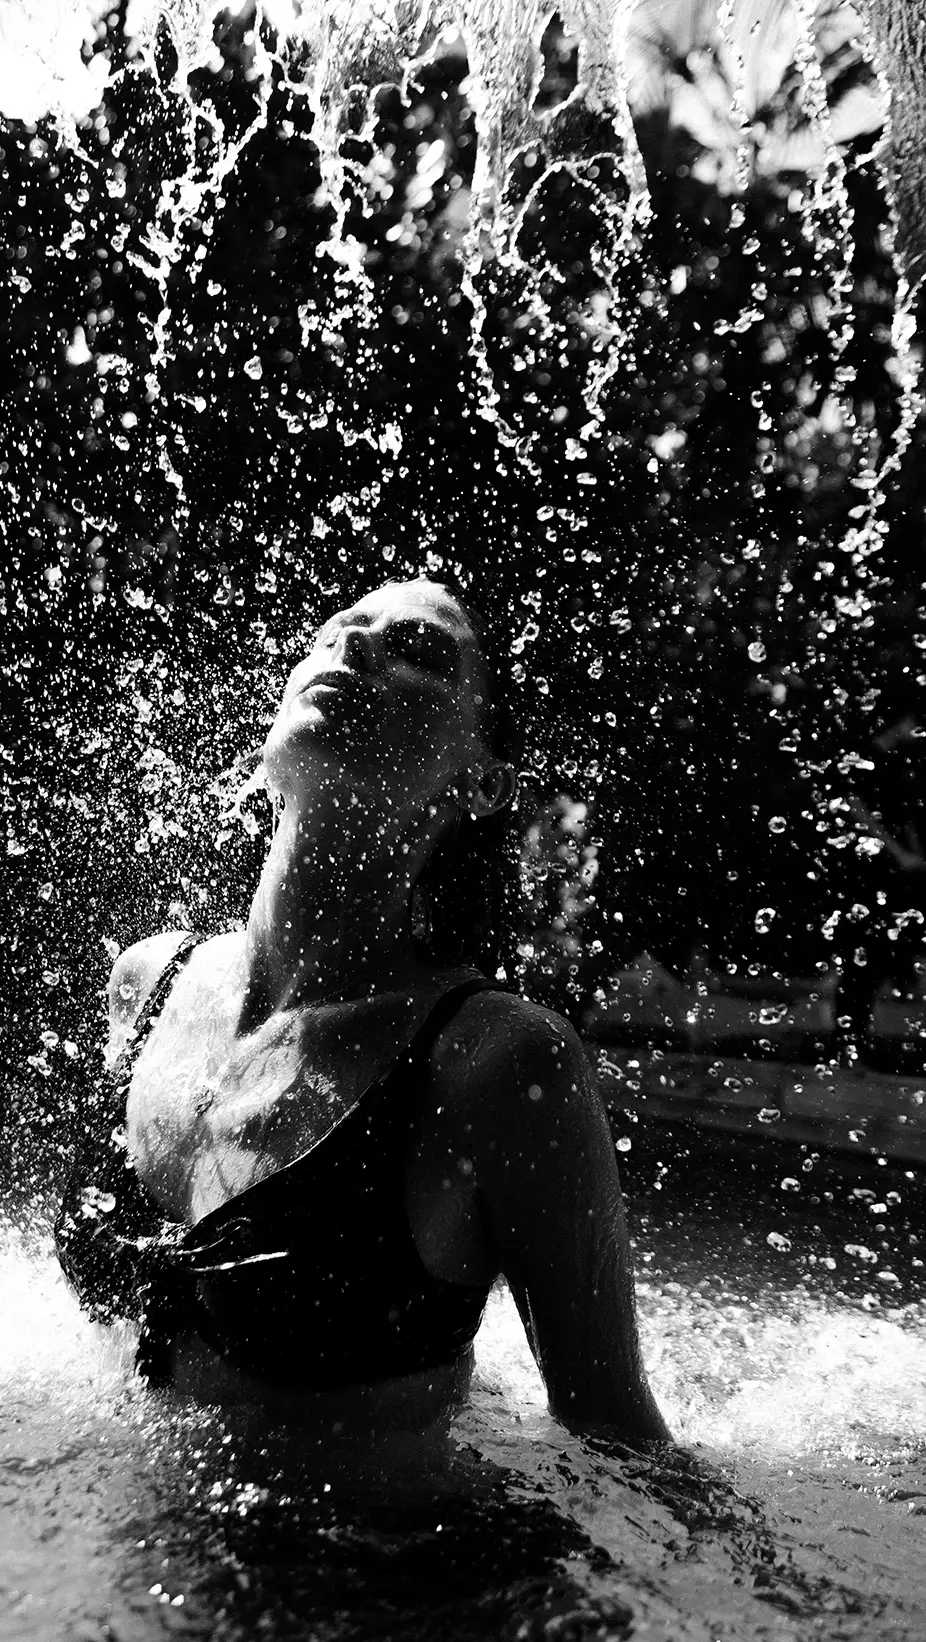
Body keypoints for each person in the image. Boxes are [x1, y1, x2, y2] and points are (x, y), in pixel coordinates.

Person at [55, 579, 669, 1443]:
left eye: (416, 651)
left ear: (484, 784)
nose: (351, 649)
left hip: (386, 1568)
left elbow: (616, 1435)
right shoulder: (149, 983)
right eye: (335, 631)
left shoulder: (497, 1061)